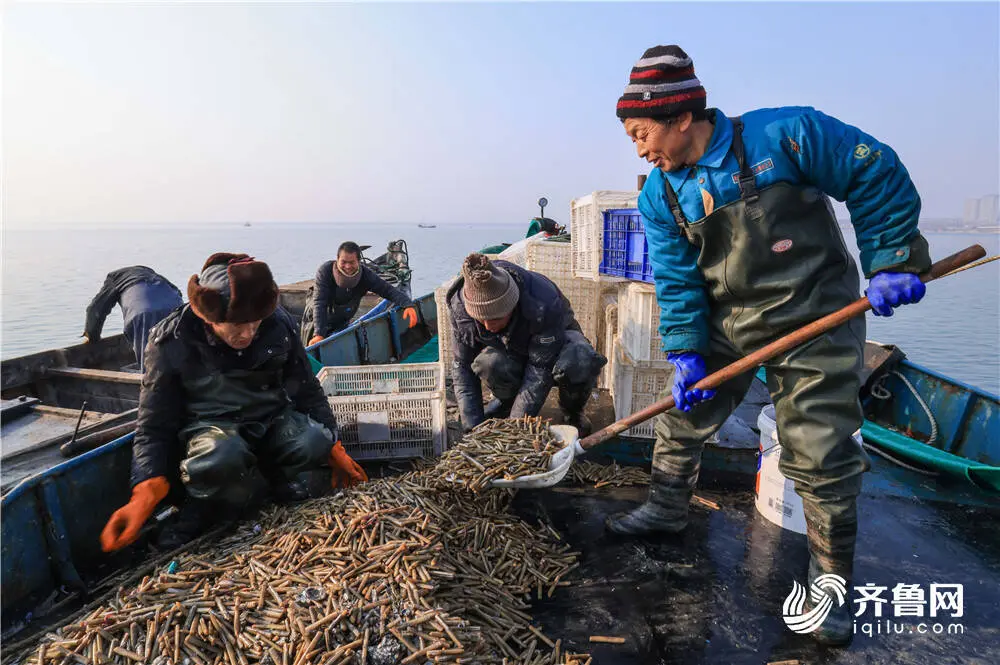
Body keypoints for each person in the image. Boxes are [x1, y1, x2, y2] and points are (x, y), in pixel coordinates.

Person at [609, 45, 931, 645]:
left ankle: (831, 588)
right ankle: (666, 506)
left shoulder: (785, 134)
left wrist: (890, 257)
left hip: (817, 316)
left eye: (641, 131)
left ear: (682, 116)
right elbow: (677, 278)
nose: (639, 148)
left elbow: (872, 169)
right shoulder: (661, 194)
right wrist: (684, 349)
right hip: (728, 326)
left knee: (819, 453)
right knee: (683, 419)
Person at [99, 253, 368, 552]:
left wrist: (335, 445)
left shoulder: (278, 323)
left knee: (314, 439)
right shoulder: (170, 339)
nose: (248, 334)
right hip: (210, 429)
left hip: (271, 419)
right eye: (236, 326)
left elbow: (307, 390)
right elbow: (153, 425)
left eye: (254, 324)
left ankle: (273, 484)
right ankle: (204, 505)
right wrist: (146, 487)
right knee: (221, 455)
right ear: (207, 316)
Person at [447, 253, 607, 435]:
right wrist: (471, 427)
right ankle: (506, 402)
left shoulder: (542, 301)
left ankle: (572, 411)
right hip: (509, 346)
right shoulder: (460, 309)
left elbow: (540, 368)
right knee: (489, 364)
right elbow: (462, 366)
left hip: (556, 341)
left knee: (581, 358)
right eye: (481, 319)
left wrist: (516, 429)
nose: (488, 326)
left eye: (496, 318)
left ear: (512, 304)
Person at [303, 241, 419, 346]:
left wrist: (407, 304)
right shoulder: (325, 271)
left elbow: (387, 290)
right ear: (337, 259)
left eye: (352, 262)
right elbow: (320, 303)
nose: (347, 266)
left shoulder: (365, 275)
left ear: (359, 261)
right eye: (343, 262)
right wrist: (318, 334)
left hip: (341, 319)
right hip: (315, 319)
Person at [82, 266, 184, 371]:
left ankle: (149, 384)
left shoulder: (114, 278)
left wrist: (92, 336)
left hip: (143, 313)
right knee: (178, 356)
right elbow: (177, 292)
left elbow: (95, 309)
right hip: (176, 308)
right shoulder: (154, 276)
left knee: (149, 366)